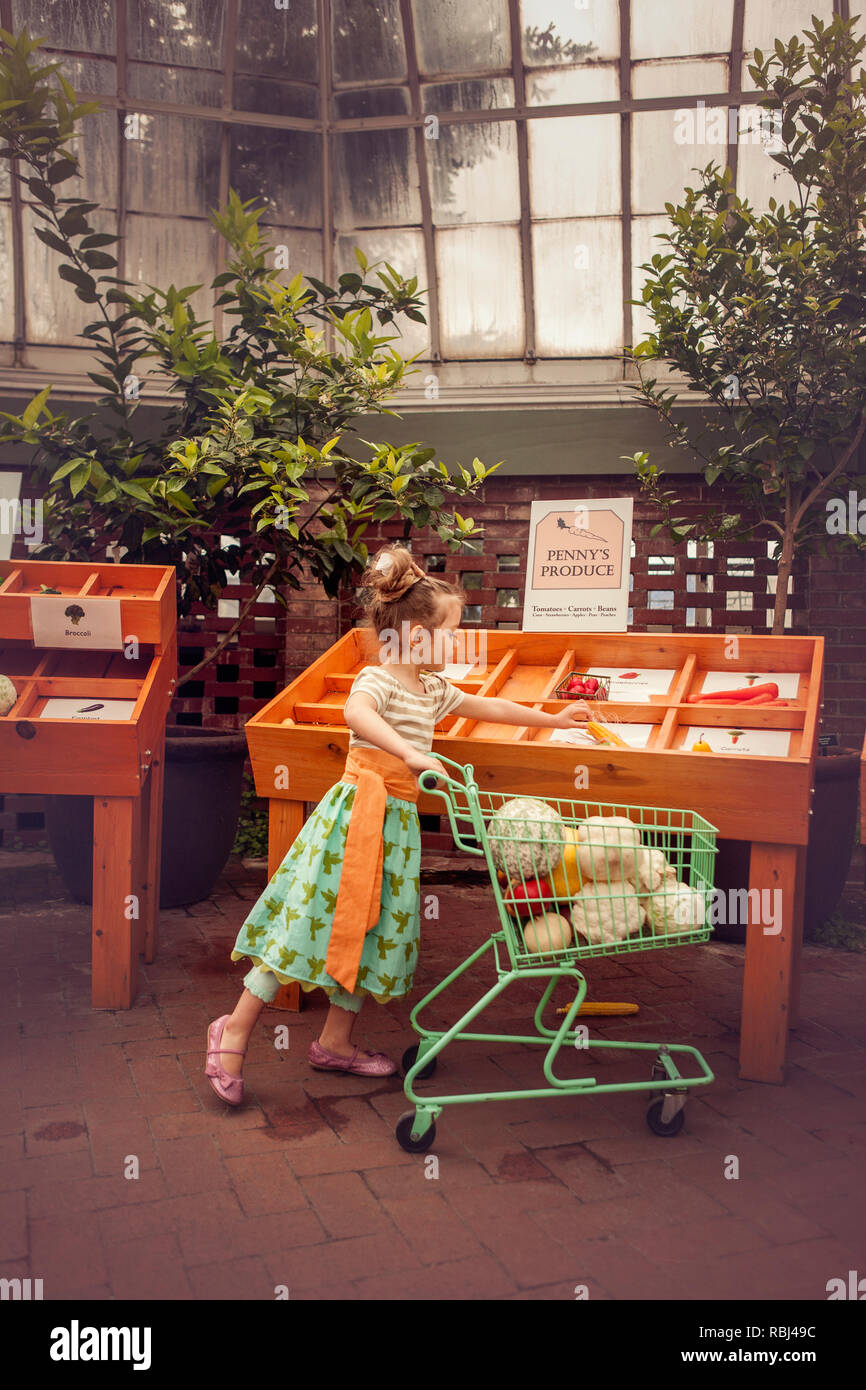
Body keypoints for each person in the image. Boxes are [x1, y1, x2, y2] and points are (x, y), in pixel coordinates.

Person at [205, 544, 592, 1104]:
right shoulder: (378, 681)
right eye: (451, 632)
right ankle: (233, 1028)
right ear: (414, 637)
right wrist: (409, 755)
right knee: (310, 918)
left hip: (397, 830)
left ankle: (335, 1042)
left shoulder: (434, 691)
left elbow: (494, 709)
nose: (458, 642)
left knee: (375, 929)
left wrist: (552, 718)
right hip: (353, 822)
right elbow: (355, 716)